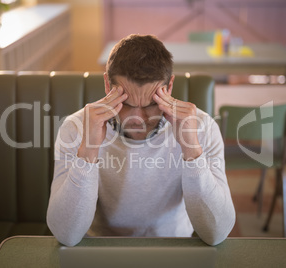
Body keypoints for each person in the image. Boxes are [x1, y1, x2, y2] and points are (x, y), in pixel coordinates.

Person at [46, 34, 235, 246]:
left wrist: (191, 151)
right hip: (101, 248)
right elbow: (66, 235)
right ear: (108, 86)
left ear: (169, 87)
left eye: (149, 105)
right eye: (126, 104)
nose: (137, 119)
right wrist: (88, 151)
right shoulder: (76, 128)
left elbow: (217, 233)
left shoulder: (202, 127)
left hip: (173, 247)